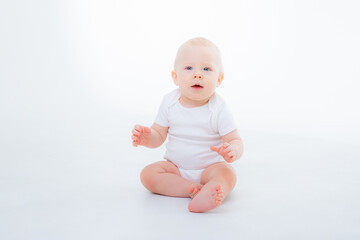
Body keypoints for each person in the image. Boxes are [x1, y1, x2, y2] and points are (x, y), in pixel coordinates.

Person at [131, 37, 244, 213]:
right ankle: (190, 188)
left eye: (206, 69)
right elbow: (159, 135)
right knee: (147, 175)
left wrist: (232, 151)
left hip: (210, 168)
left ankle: (211, 188)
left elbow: (235, 140)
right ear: (175, 77)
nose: (197, 74)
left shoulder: (218, 108)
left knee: (228, 174)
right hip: (175, 168)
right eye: (189, 68)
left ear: (219, 79)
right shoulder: (170, 102)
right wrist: (148, 137)